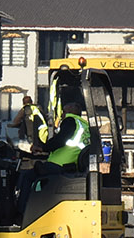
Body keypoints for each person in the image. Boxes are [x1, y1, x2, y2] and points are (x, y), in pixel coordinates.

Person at [13, 90, 90, 223]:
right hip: (72, 164)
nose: (62, 113)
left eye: (64, 110)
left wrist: (43, 147)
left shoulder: (70, 121)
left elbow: (61, 140)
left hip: (59, 165)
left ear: (70, 110)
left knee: (27, 176)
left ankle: (21, 215)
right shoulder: (84, 125)